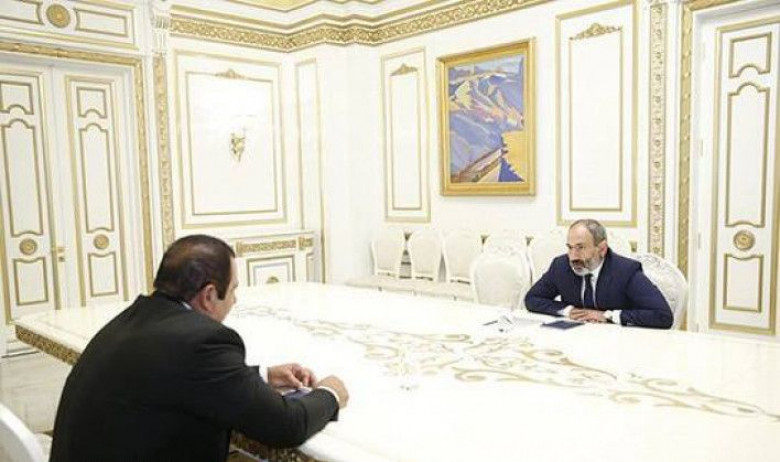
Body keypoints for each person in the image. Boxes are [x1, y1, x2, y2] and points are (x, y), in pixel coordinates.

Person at [50, 234, 348, 461]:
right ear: (208, 296)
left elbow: (178, 377)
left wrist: (261, 376)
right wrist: (330, 393)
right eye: (233, 290)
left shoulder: (138, 316)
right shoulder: (202, 342)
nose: (235, 300)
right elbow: (284, 426)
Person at [524, 219, 673, 328]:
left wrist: (608, 316)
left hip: (618, 343)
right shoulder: (561, 266)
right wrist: (568, 311)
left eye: (580, 247)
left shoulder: (625, 271)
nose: (573, 257)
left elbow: (662, 316)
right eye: (570, 247)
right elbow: (532, 298)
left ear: (602, 249)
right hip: (574, 340)